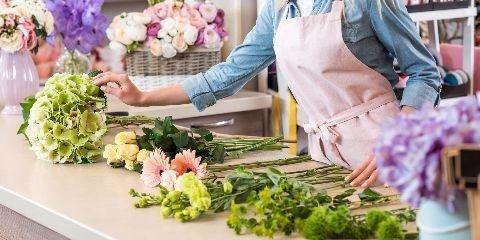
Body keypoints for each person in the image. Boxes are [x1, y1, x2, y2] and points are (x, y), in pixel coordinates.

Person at [94, 0, 441, 187]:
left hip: (388, 149)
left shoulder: (366, 3)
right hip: (326, 153)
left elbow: (426, 73)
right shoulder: (278, 10)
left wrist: (397, 142)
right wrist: (140, 98)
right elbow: (227, 76)